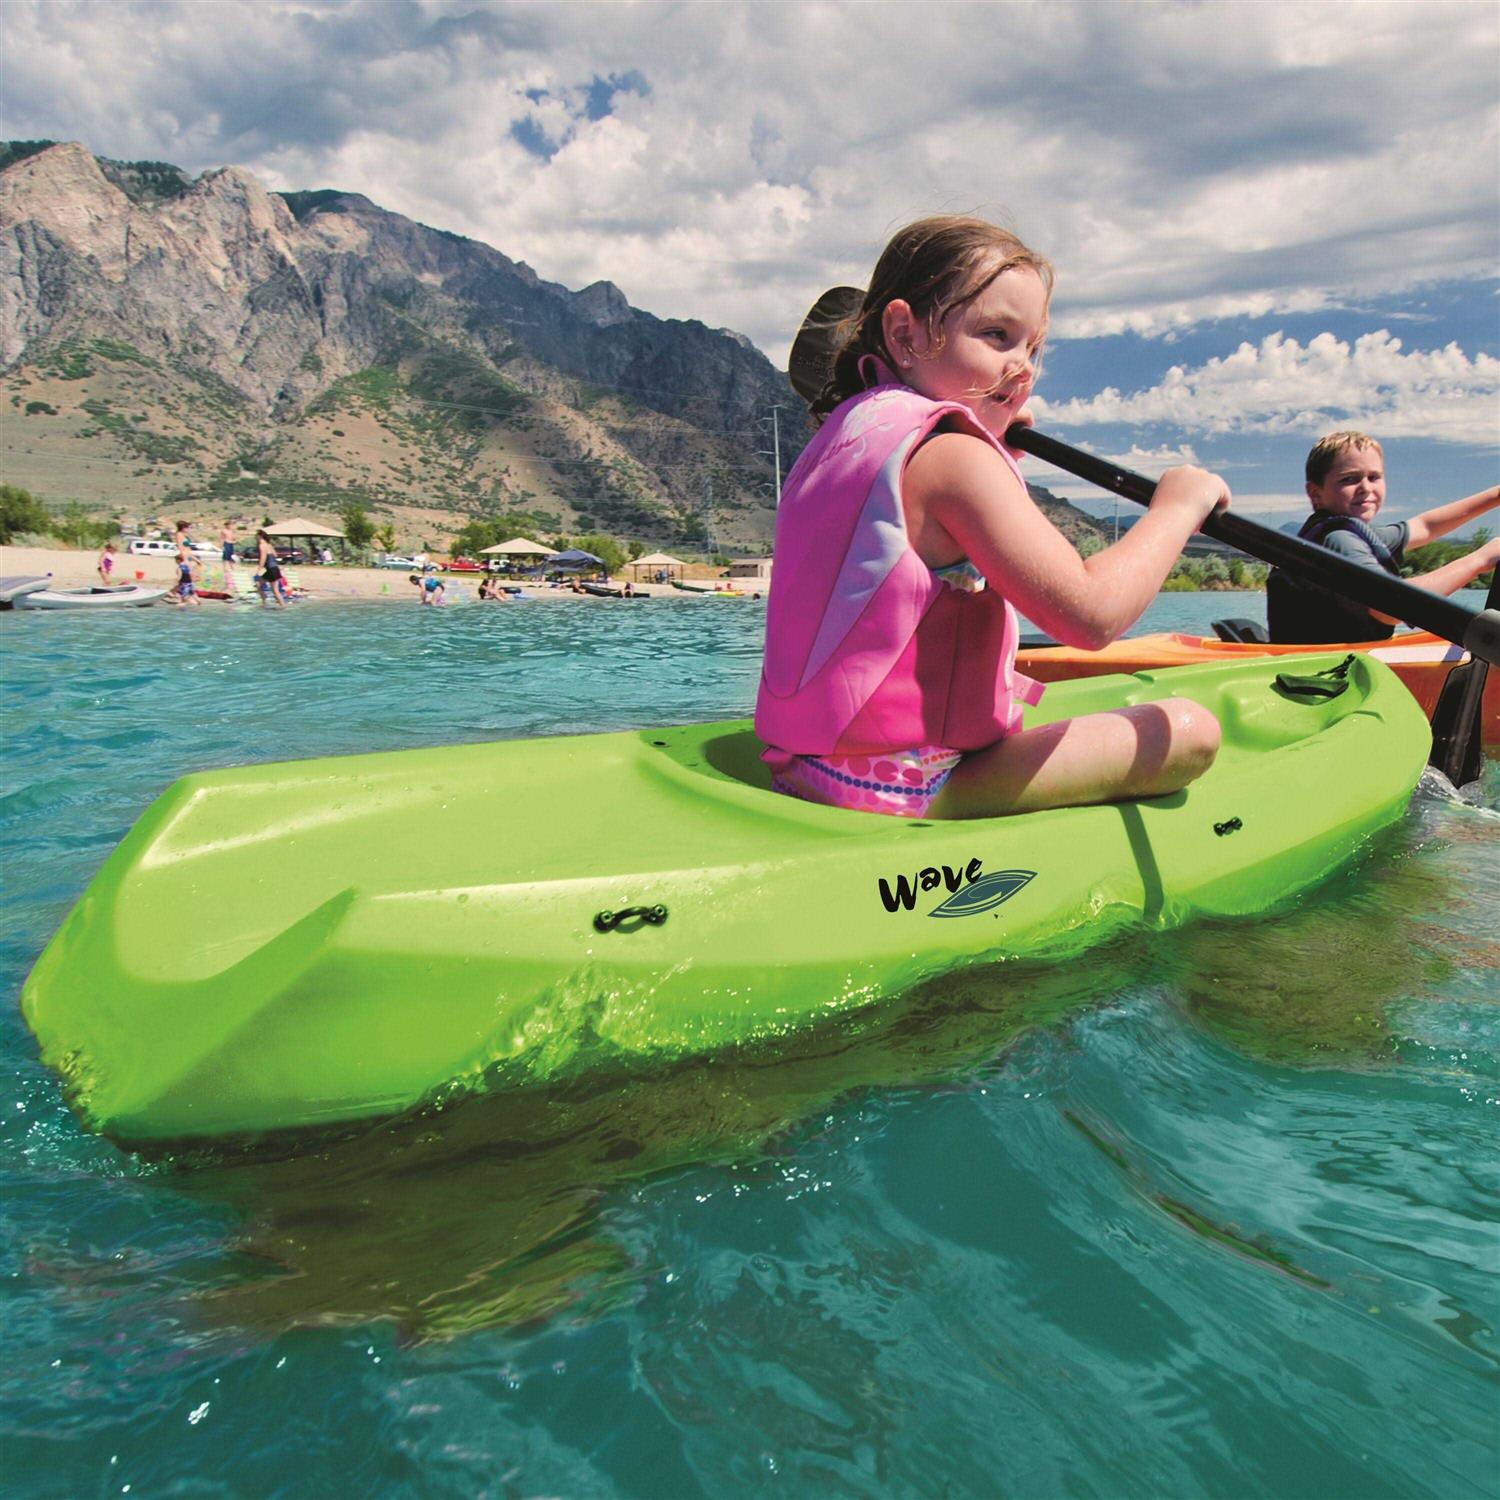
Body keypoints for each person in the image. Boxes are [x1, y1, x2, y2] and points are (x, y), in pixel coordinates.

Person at [757, 215, 1228, 821]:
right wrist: (1177, 507)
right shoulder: (954, 456)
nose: (1024, 367)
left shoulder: (842, 437)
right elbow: (1091, 615)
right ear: (903, 334)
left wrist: (997, 446)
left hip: (804, 767)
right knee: (1189, 729)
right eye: (997, 335)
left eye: (1033, 347)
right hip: (907, 786)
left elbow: (908, 544)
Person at [1267, 432, 1500, 644]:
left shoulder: (1346, 531)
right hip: (1328, 675)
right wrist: (1480, 560)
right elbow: (1393, 607)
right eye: (1349, 479)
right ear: (1315, 492)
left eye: (1374, 477)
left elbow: (1425, 526)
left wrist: (1496, 495)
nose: (1365, 487)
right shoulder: (1339, 540)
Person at [172, 520, 203, 608]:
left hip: (188, 558)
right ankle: (177, 594)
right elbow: (181, 548)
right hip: (184, 559)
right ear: (183, 527)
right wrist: (184, 560)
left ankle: (178, 594)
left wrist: (196, 559)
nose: (188, 529)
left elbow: (188, 550)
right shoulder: (179, 535)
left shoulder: (184, 535)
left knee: (187, 578)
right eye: (187, 527)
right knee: (186, 578)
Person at [255, 528, 286, 608]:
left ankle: (282, 606)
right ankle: (264, 603)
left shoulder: (262, 545)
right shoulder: (269, 545)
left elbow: (263, 558)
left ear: (260, 536)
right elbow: (275, 555)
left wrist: (259, 570)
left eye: (256, 536)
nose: (256, 538)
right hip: (274, 568)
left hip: (269, 569)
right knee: (258, 584)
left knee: (274, 590)